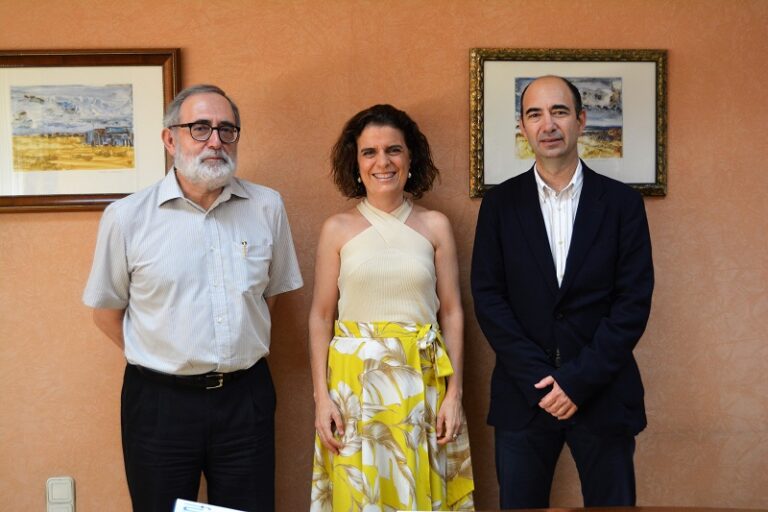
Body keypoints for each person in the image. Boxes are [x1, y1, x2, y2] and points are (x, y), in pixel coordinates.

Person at [83, 84, 303, 512]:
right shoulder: (126, 217)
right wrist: (164, 359)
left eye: (226, 129)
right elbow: (107, 312)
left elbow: (268, 298)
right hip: (158, 403)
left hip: (246, 399)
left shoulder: (267, 207)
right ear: (170, 139)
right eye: (199, 128)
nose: (215, 141)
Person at [471, 75, 654, 508]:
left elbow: (632, 303)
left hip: (604, 393)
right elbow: (489, 297)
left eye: (559, 112)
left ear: (582, 120)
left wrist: (575, 382)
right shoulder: (499, 206)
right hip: (524, 396)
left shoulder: (623, 204)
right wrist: (543, 383)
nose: (547, 124)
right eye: (535, 114)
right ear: (523, 127)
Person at [308, 104, 475, 511]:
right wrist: (322, 399)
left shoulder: (435, 225)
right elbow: (321, 316)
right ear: (356, 162)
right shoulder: (337, 229)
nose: (383, 162)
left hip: (422, 386)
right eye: (370, 152)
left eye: (393, 150)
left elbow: (451, 312)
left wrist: (454, 395)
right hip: (353, 391)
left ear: (410, 158)